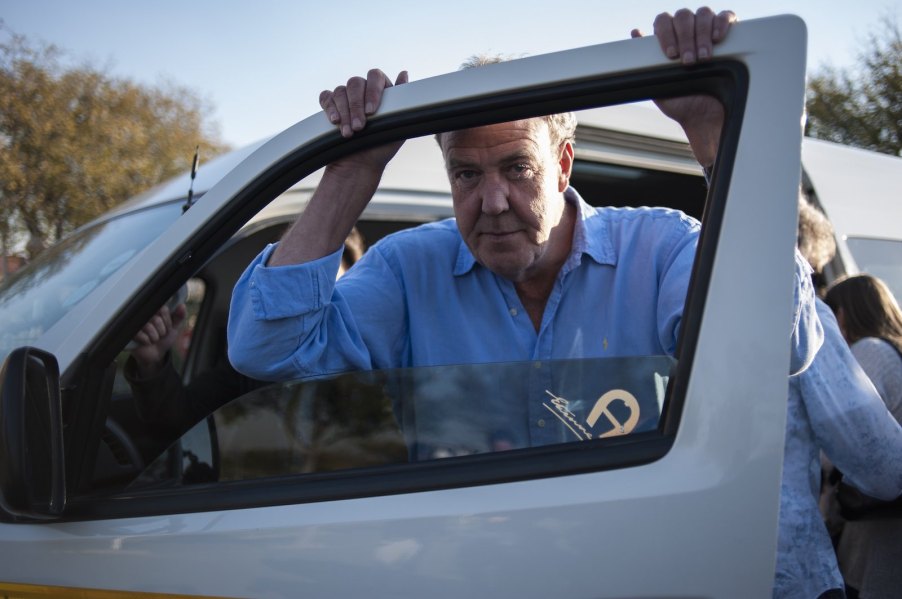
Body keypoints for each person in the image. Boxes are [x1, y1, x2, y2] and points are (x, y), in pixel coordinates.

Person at [227, 9, 820, 449]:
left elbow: (774, 344)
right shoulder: (409, 270)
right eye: (465, 173)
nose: (491, 201)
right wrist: (351, 172)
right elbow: (267, 350)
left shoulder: (660, 250)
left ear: (563, 165)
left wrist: (719, 141)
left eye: (517, 169)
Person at [773, 194, 902, 599]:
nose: (813, 283)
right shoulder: (811, 319)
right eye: (811, 270)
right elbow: (877, 458)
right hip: (795, 560)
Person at [125, 228, 367, 439]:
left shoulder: (370, 375)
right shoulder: (246, 368)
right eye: (294, 287)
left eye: (326, 294)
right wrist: (153, 363)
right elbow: (176, 426)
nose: (307, 308)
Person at [823, 273, 902, 598]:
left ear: (842, 314)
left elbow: (847, 431)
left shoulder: (870, 351)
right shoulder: (894, 350)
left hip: (875, 529)